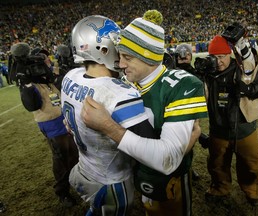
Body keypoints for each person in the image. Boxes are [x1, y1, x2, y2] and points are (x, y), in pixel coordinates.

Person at [81, 10, 208, 216]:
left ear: (149, 57)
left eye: (128, 57)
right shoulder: (124, 84)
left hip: (168, 181)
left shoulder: (182, 84)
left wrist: (108, 127)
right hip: (137, 175)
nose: (121, 65)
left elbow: (167, 160)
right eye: (120, 56)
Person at [61, 15, 157, 216]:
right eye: (115, 43)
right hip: (111, 180)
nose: (120, 49)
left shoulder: (71, 76)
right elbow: (151, 149)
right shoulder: (118, 94)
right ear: (102, 49)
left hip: (84, 167)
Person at [202, 34, 258, 206]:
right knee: (217, 164)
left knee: (251, 164)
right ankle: (220, 188)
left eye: (221, 56)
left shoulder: (244, 68)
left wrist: (248, 89)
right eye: (214, 57)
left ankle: (251, 191)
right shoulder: (207, 73)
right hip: (218, 130)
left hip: (245, 128)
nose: (218, 61)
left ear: (230, 54)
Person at [10, 43, 79, 208]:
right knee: (62, 158)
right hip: (50, 123)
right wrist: (25, 84)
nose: (45, 59)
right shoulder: (32, 80)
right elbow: (31, 105)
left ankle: (76, 182)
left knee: (75, 155)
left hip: (67, 118)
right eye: (40, 56)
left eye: (46, 56)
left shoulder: (52, 73)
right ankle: (62, 192)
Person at [174, 43, 200, 180]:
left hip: (192, 114)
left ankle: (188, 168)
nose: (184, 57)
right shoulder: (170, 71)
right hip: (174, 114)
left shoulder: (197, 72)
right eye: (181, 54)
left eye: (187, 54)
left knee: (191, 143)